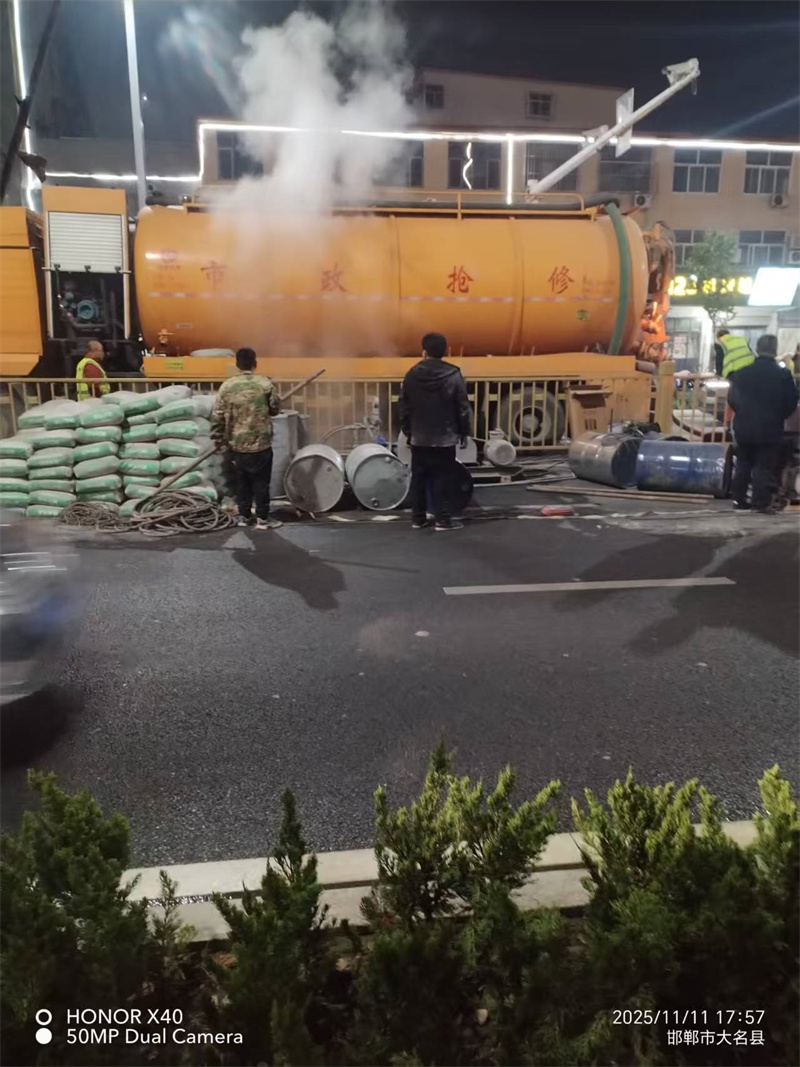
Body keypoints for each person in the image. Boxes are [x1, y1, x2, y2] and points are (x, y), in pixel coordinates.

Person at [398, 332, 472, 532]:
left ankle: (418, 519)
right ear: (444, 351)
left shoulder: (411, 374)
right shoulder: (453, 374)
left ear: (424, 352)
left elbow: (403, 406)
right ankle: (443, 520)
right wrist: (464, 432)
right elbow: (463, 406)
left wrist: (408, 431)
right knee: (443, 478)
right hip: (445, 437)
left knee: (419, 478)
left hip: (419, 437)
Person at [210, 347, 282, 530]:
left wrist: (217, 438)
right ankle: (263, 519)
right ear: (255, 363)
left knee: (242, 482)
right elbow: (275, 409)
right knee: (261, 482)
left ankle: (244, 516)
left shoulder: (227, 386)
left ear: (237, 364)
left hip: (237, 444)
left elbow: (218, 415)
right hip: (261, 444)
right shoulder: (265, 384)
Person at [728, 334, 799, 513]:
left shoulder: (742, 373)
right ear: (775, 350)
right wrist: (778, 415)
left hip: (744, 426)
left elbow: (732, 399)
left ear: (757, 349)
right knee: (764, 464)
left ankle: (739, 499)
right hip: (770, 426)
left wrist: (744, 413)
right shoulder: (782, 375)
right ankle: (760, 503)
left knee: (743, 462)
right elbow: (791, 402)